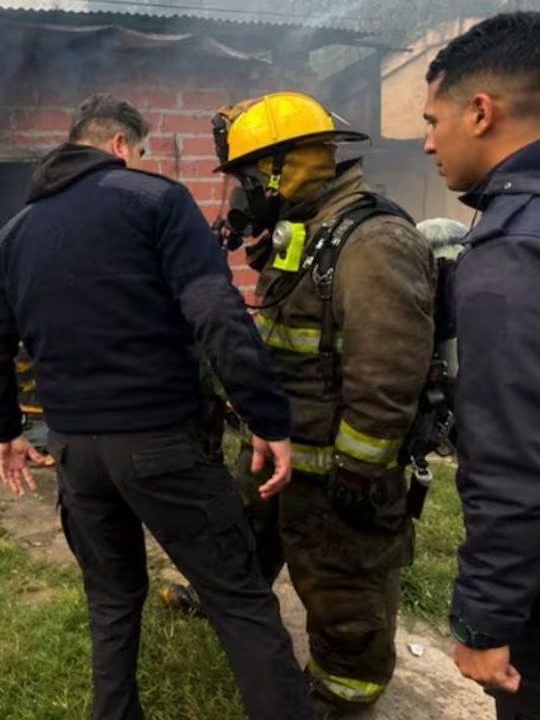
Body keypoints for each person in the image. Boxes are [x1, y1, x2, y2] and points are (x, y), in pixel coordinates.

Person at [0, 94, 313, 720]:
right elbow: (216, 312)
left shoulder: (12, 234)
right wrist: (268, 417)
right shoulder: (156, 201)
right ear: (120, 147)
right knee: (239, 598)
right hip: (161, 443)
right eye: (141, 152)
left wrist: (4, 431)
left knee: (111, 601)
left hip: (75, 451)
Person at [208, 92, 436, 718]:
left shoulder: (374, 242)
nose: (246, 191)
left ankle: (344, 691)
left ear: (291, 165)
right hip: (283, 446)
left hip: (338, 469)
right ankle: (235, 612)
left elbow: (386, 376)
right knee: (242, 538)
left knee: (341, 588)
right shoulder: (310, 233)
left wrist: (360, 473)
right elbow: (288, 333)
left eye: (252, 177)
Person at [424, 12, 540, 719]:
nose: (429, 142)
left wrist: (485, 623)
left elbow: (514, 451)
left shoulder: (511, 252)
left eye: (435, 121)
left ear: (481, 110)